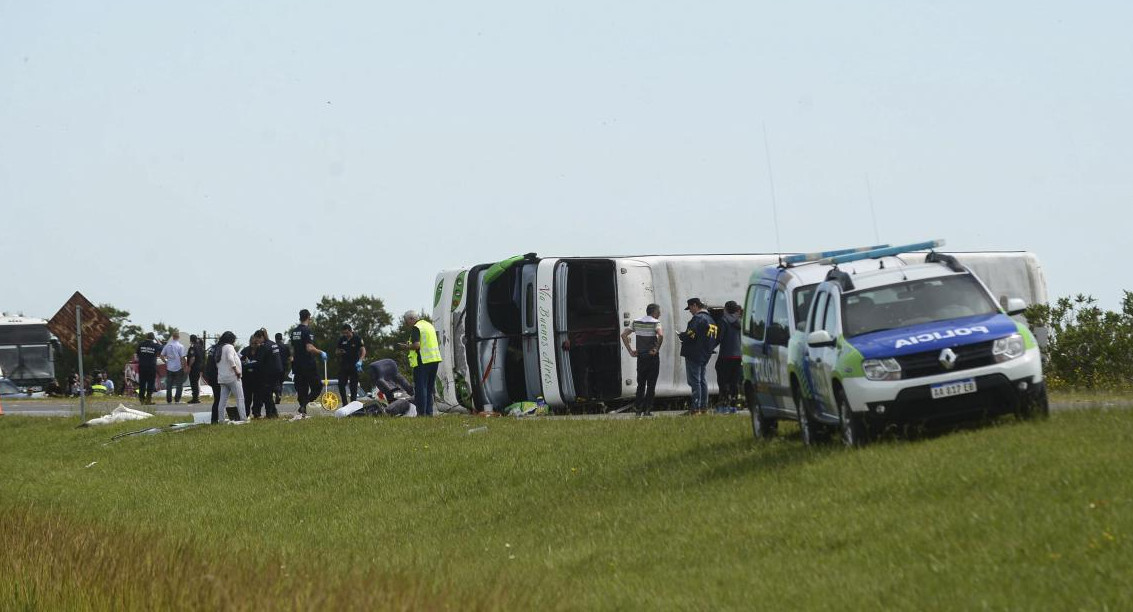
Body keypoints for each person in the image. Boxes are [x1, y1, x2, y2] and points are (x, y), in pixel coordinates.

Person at [620, 303, 664, 417]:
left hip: (641, 357)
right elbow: (660, 335)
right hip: (652, 357)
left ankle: (638, 409)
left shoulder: (636, 321)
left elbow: (624, 335)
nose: (660, 314)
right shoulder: (656, 322)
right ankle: (647, 410)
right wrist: (656, 349)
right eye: (659, 312)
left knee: (641, 384)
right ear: (654, 312)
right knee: (651, 384)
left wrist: (630, 350)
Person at [678, 297, 717, 415]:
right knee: (702, 381)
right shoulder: (712, 320)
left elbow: (691, 334)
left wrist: (682, 336)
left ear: (695, 305)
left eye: (690, 308)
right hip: (705, 354)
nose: (690, 311)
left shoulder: (698, 318)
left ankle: (695, 408)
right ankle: (703, 407)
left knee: (694, 381)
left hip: (694, 353)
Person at [399, 310, 441, 417]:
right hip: (434, 359)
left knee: (421, 388)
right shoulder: (428, 325)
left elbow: (417, 345)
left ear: (411, 319)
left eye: (406, 321)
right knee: (429, 388)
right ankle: (429, 413)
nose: (406, 324)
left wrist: (406, 347)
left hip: (423, 360)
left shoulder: (416, 328)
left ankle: (422, 414)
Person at [290, 309, 327, 418]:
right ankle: (305, 405)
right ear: (308, 317)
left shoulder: (294, 331)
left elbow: (293, 348)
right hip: (308, 363)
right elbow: (309, 347)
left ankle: (303, 409)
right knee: (317, 386)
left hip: (297, 364)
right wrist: (321, 352)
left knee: (302, 388)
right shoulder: (307, 331)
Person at [714, 301, 743, 410]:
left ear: (725, 309)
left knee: (723, 379)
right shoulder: (740, 322)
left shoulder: (723, 321)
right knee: (734, 381)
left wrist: (709, 347)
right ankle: (734, 402)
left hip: (726, 355)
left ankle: (724, 401)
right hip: (738, 356)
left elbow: (719, 338)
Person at [215, 331, 246, 422]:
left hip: (222, 378)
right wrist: (236, 370)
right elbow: (230, 358)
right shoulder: (229, 347)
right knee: (240, 398)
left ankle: (221, 419)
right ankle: (243, 418)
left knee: (222, 401)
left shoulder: (219, 348)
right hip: (232, 377)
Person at [251, 328, 282, 419]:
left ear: (261, 337)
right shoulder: (273, 344)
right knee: (268, 394)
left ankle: (270, 414)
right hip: (278, 371)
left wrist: (249, 365)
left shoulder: (264, 347)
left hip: (269, 373)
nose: (257, 342)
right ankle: (274, 413)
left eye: (257, 339)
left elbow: (259, 361)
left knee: (266, 395)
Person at [335, 324, 366, 405]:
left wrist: (360, 361)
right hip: (344, 365)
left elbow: (363, 350)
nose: (345, 335)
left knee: (353, 387)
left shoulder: (357, 338)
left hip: (354, 365)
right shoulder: (342, 339)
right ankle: (344, 403)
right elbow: (336, 351)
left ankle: (353, 404)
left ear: (350, 330)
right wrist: (340, 352)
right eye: (343, 333)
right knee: (341, 384)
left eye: (346, 333)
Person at [161, 331, 188, 404]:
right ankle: (177, 400)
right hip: (178, 367)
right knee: (179, 384)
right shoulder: (180, 346)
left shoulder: (167, 345)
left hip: (169, 367)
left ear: (172, 337)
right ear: (178, 337)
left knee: (169, 385)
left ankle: (169, 400)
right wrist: (184, 366)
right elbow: (183, 357)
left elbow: (161, 355)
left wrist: (166, 362)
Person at [136, 332, 161, 405]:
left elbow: (137, 354)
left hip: (142, 366)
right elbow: (162, 348)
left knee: (142, 383)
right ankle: (148, 399)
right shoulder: (155, 345)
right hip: (151, 367)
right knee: (150, 383)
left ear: (146, 336)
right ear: (153, 338)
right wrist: (158, 341)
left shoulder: (141, 344)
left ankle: (141, 399)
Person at [240, 334, 259, 416]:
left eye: (255, 343)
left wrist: (250, 365)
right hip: (246, 378)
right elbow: (240, 363)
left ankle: (256, 413)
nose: (254, 345)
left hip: (257, 377)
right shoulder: (244, 351)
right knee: (247, 398)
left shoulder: (261, 351)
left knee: (257, 398)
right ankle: (246, 414)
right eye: (252, 343)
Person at [186, 334, 204, 404]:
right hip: (200, 367)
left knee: (193, 383)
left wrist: (189, 366)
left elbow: (192, 358)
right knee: (196, 382)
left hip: (194, 367)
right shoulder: (201, 347)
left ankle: (195, 398)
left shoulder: (193, 347)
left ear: (191, 340)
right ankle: (196, 397)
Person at [274, 332, 291, 404]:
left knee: (275, 381)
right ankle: (279, 395)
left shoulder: (274, 346)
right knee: (280, 382)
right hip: (284, 367)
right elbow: (290, 357)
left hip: (275, 367)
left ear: (275, 339)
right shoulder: (286, 347)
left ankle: (277, 393)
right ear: (281, 338)